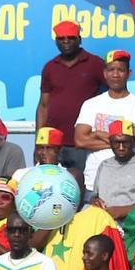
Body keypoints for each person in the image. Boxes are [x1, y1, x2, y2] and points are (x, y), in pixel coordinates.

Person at [36, 20, 106, 173]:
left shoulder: (95, 63)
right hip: (54, 144)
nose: (66, 42)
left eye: (70, 37)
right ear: (56, 41)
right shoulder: (50, 67)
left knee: (82, 186)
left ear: (79, 40)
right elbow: (43, 105)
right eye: (61, 38)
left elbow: (110, 97)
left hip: (83, 143)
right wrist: (39, 142)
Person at [74, 50, 135, 194]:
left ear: (129, 73)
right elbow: (80, 141)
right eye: (111, 70)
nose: (115, 74)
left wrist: (97, 134)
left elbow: (133, 142)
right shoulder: (91, 104)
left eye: (120, 70)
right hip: (93, 182)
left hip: (127, 183)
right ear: (104, 73)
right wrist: (120, 140)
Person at [92, 121, 135, 221]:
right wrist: (94, 202)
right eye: (116, 142)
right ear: (110, 142)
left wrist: (125, 210)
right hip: (105, 222)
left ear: (133, 141)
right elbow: (95, 196)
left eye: (125, 142)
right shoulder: (104, 165)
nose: (121, 147)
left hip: (134, 223)